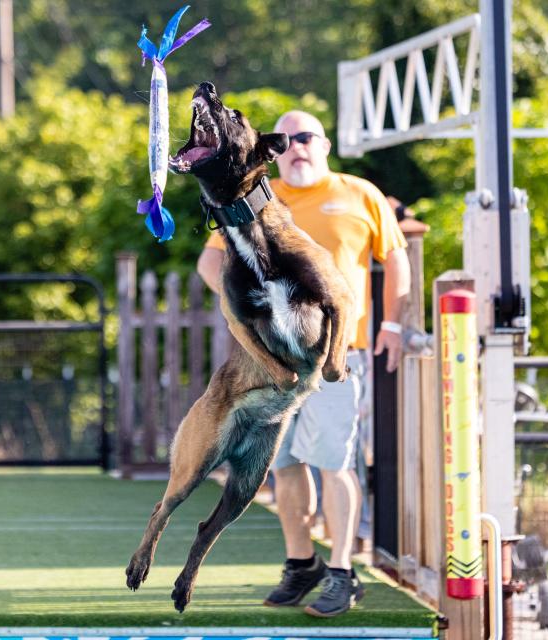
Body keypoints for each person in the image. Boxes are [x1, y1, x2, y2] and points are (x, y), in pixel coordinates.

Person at [196, 110, 410, 617]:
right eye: (286, 140)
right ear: (273, 150)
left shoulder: (360, 194)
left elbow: (396, 257)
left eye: (306, 137)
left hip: (333, 358)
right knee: (284, 465)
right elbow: (211, 262)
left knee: (333, 464)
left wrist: (395, 324)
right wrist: (245, 304)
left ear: (326, 144)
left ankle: (342, 572)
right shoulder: (253, 196)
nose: (296, 147)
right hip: (274, 363)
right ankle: (301, 564)